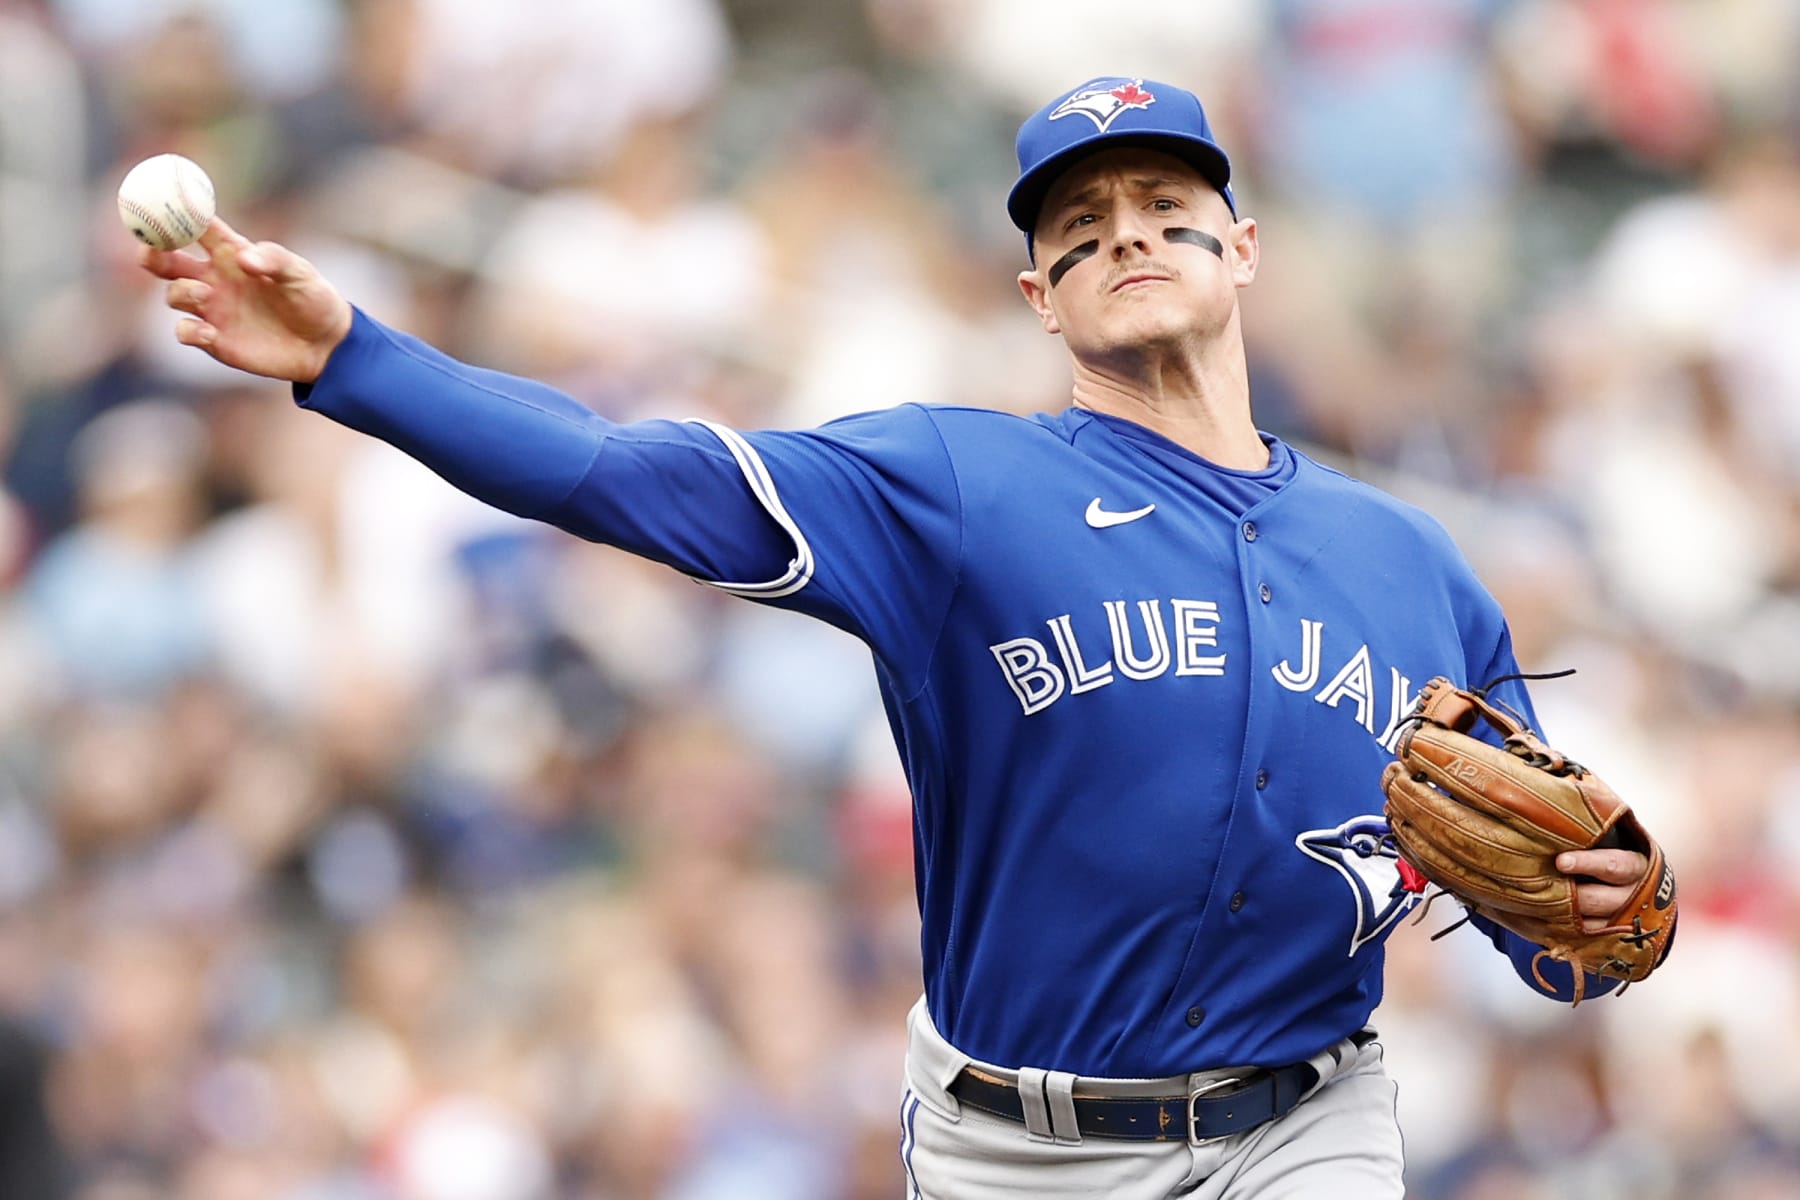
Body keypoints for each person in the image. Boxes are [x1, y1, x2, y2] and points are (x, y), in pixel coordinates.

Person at [138, 75, 1660, 1199]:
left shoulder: (1410, 565)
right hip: (1019, 1146)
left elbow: (1549, 924)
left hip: (1307, 1125)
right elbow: (619, 471)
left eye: (1163, 210)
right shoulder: (950, 484)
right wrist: (357, 359)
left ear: (1242, 250)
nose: (1125, 235)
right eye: (1081, 226)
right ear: (1039, 298)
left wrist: (1603, 911)